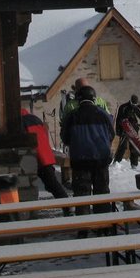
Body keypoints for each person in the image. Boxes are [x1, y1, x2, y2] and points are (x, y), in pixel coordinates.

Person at [60, 85, 114, 216]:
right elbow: (111, 134)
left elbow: (65, 138)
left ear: (78, 99)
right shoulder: (103, 114)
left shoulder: (72, 116)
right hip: (101, 160)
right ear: (93, 98)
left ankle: (84, 227)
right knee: (102, 193)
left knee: (82, 195)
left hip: (80, 161)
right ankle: (104, 226)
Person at [20, 108, 68, 200]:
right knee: (51, 183)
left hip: (35, 156)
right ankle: (67, 205)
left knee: (50, 184)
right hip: (46, 155)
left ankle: (68, 205)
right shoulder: (35, 119)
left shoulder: (21, 122)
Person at [113, 95, 140, 167]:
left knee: (134, 147)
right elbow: (118, 119)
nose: (134, 105)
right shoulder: (124, 107)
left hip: (134, 130)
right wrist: (118, 130)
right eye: (133, 104)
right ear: (130, 101)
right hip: (124, 129)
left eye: (135, 104)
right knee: (122, 146)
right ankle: (116, 162)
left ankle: (134, 164)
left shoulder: (139, 108)